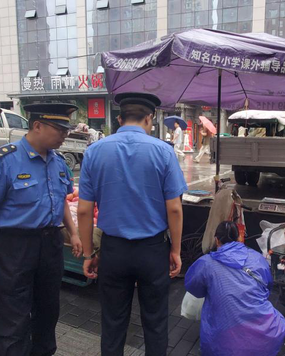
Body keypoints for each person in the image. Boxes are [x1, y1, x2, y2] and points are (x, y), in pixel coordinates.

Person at [78, 92, 188, 356]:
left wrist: (88, 253)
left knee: (113, 323)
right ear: (149, 118)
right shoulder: (163, 151)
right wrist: (175, 250)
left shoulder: (94, 151)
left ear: (119, 118)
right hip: (152, 251)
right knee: (156, 322)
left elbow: (83, 211)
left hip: (113, 250)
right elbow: (174, 207)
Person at [0, 103, 83, 356]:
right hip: (14, 246)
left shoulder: (57, 162)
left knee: (47, 310)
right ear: (37, 125)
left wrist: (73, 233)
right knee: (12, 315)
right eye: (60, 128)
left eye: (67, 129)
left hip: (50, 245)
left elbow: (62, 200)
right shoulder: (5, 160)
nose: (65, 134)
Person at [184, 221, 285, 356]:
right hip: (267, 333)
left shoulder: (206, 263)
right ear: (239, 237)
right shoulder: (256, 257)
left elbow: (194, 289)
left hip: (223, 341)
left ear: (216, 240)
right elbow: (268, 286)